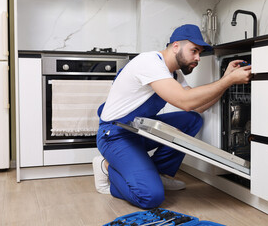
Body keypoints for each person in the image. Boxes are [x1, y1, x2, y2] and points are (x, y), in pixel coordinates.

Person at [93, 24, 252, 209]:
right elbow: (185, 101)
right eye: (194, 51)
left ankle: (159, 173)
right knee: (150, 197)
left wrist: (226, 79)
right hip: (115, 135)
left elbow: (198, 107)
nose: (198, 58)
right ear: (176, 46)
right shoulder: (149, 62)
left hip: (137, 130)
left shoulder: (173, 73)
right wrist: (228, 80)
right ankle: (106, 168)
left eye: (199, 53)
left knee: (191, 120)